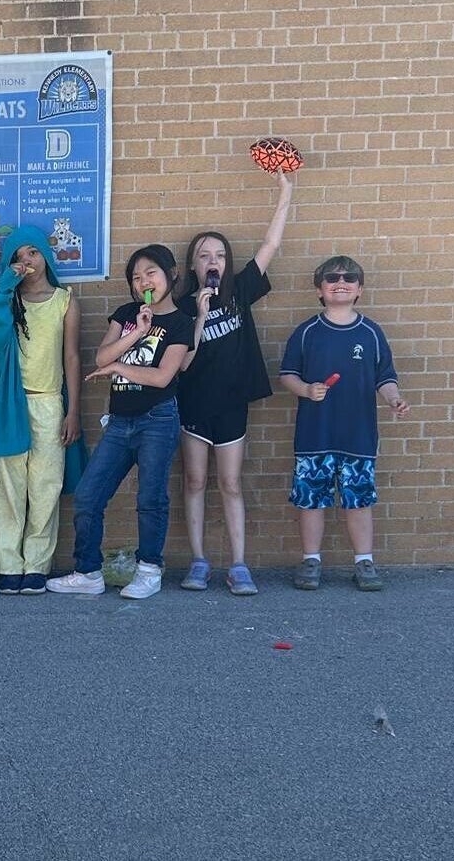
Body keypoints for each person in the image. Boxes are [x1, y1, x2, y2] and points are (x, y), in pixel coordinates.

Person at [48, 245, 193, 599]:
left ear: (171, 275)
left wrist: (118, 368)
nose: (143, 281)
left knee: (151, 497)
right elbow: (101, 355)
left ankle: (149, 571)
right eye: (136, 276)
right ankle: (88, 572)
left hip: (157, 419)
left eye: (151, 273)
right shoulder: (127, 314)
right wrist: (135, 333)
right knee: (87, 496)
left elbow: (162, 377)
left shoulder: (181, 323)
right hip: (119, 422)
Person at [174, 172, 295, 595]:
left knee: (229, 483)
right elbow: (182, 363)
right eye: (204, 255)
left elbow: (271, 246)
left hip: (232, 404)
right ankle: (199, 561)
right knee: (193, 481)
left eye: (220, 255)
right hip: (194, 405)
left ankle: (239, 564)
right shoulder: (182, 307)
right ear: (193, 264)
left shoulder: (240, 291)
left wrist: (285, 193)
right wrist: (201, 317)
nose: (213, 261)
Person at [278, 255, 410, 591]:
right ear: (319, 289)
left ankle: (364, 561)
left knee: (359, 500)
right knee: (311, 501)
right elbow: (287, 376)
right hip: (314, 435)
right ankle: (311, 560)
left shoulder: (371, 333)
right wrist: (307, 389)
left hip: (358, 436)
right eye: (332, 277)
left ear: (359, 289)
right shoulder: (307, 332)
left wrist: (393, 399)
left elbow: (386, 378)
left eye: (349, 278)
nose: (341, 282)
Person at [0, 226, 84, 596]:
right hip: (11, 402)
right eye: (18, 257)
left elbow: (71, 356)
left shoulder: (65, 301)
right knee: (9, 486)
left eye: (33, 253)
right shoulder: (6, 300)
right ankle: (8, 566)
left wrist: (73, 411)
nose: (27, 262)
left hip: (48, 402)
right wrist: (7, 285)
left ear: (46, 256)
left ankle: (36, 565)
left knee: (45, 487)